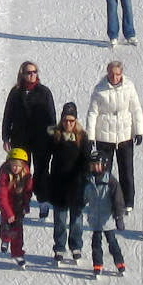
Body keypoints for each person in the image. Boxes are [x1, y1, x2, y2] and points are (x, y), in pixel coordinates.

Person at [0, 59, 57, 219]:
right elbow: (8, 115)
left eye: (34, 72)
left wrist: (53, 137)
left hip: (41, 138)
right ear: (22, 74)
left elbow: (51, 116)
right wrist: (5, 136)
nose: (32, 75)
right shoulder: (15, 93)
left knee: (41, 170)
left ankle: (43, 201)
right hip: (20, 137)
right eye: (28, 72)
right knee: (21, 171)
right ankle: (20, 203)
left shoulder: (44, 92)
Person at [86, 61, 142, 221]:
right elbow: (92, 113)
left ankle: (128, 201)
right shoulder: (100, 89)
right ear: (107, 73)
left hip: (124, 135)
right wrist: (90, 136)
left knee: (127, 170)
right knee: (104, 171)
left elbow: (136, 109)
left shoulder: (129, 86)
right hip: (105, 136)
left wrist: (138, 131)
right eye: (111, 74)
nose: (115, 77)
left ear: (121, 73)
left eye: (117, 74)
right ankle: (104, 200)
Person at [47, 104, 91, 264]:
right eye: (65, 120)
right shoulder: (55, 136)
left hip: (77, 184)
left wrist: (84, 179)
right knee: (60, 219)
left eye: (71, 121)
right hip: (59, 184)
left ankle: (76, 246)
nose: (68, 124)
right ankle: (59, 247)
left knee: (76, 219)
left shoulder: (82, 137)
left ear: (76, 121)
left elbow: (87, 160)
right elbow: (45, 156)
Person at [81, 149, 127, 277]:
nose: (95, 167)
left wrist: (119, 216)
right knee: (96, 243)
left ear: (104, 165)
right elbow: (84, 197)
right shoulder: (88, 181)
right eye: (93, 165)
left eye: (98, 164)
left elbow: (118, 199)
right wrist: (79, 204)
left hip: (108, 219)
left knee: (112, 242)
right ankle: (98, 264)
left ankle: (119, 262)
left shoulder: (110, 181)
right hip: (95, 218)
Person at [0, 148, 34, 268]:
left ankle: (17, 253)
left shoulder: (26, 175)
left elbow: (28, 192)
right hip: (6, 207)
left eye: (18, 166)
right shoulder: (4, 176)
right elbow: (1, 196)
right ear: (9, 164)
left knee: (18, 231)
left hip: (18, 207)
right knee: (7, 228)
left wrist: (26, 205)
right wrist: (8, 213)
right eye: (13, 165)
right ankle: (5, 239)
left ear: (23, 165)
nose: (16, 168)